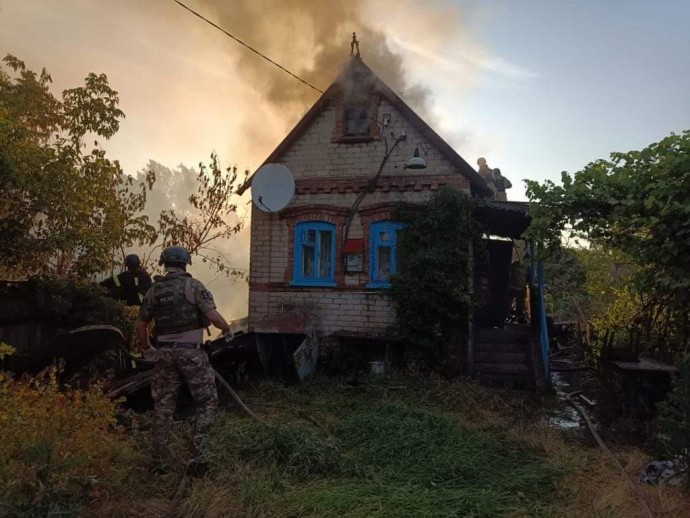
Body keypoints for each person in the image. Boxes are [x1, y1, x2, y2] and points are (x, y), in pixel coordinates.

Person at [135, 246, 233, 476]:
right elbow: (213, 317)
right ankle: (198, 460)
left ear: (164, 263)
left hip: (164, 355)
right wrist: (227, 330)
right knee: (206, 401)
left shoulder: (154, 291)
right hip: (191, 354)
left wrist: (147, 349)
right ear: (185, 263)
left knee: (163, 406)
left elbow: (140, 326)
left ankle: (158, 463)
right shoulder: (194, 286)